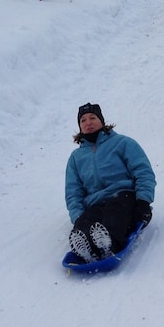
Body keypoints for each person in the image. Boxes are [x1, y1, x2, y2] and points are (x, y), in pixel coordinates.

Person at [66, 103, 155, 262]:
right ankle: (86, 249)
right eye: (83, 120)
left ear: (102, 121)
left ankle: (108, 244)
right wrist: (78, 216)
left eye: (93, 118)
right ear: (79, 126)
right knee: (87, 221)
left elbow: (143, 171)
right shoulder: (76, 157)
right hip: (95, 202)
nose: (88, 122)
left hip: (123, 196)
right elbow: (73, 191)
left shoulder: (123, 143)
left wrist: (143, 201)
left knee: (114, 213)